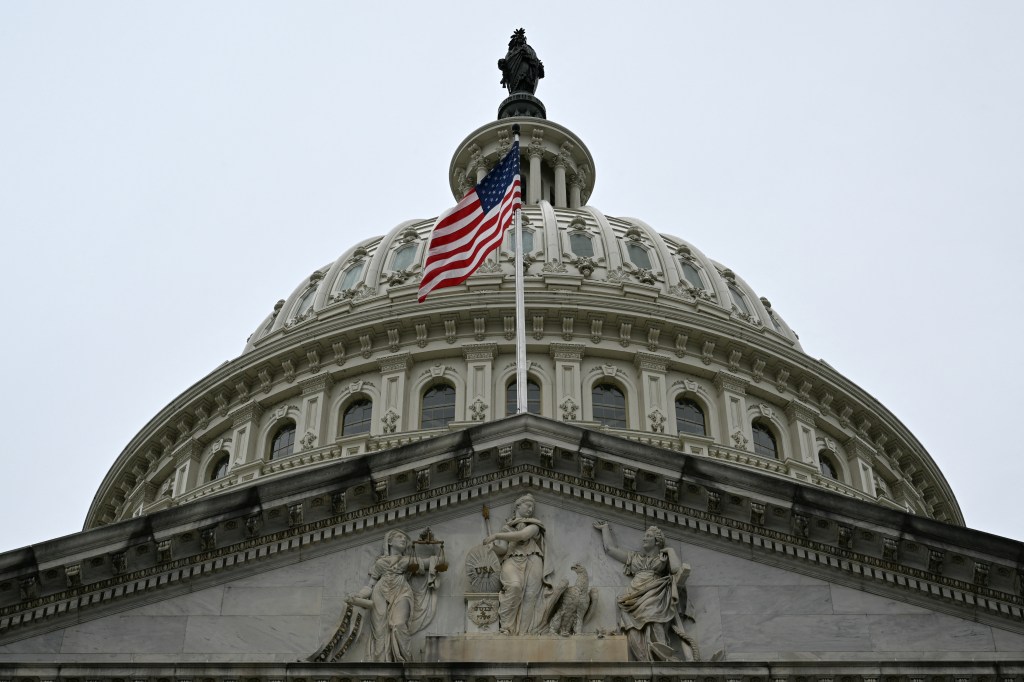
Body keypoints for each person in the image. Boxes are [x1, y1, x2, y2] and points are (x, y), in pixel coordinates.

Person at [593, 521, 693, 661]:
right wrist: (605, 529)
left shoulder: (662, 559)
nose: (644, 538)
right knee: (631, 629)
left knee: (655, 620)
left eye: (648, 536)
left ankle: (662, 657)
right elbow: (610, 549)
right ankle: (643, 659)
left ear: (657, 540)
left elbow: (676, 570)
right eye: (645, 536)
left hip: (654, 593)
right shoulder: (635, 558)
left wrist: (670, 551)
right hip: (632, 597)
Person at [347, 529, 438, 662]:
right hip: (380, 593)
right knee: (380, 633)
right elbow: (370, 585)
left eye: (405, 539)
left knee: (399, 625)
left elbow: (437, 562)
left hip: (402, 592)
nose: (403, 540)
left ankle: (405, 663)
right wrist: (358, 595)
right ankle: (382, 664)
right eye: (399, 537)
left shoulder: (408, 561)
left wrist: (434, 545)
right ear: (389, 541)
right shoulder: (380, 563)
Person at [483, 493, 553, 634]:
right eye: (528, 505)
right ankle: (507, 628)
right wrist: (493, 547)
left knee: (530, 596)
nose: (530, 509)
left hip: (533, 559)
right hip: (512, 559)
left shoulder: (535, 525)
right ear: (518, 505)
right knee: (514, 586)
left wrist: (496, 535)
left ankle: (523, 633)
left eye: (532, 507)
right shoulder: (507, 527)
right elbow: (503, 548)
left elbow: (522, 535)